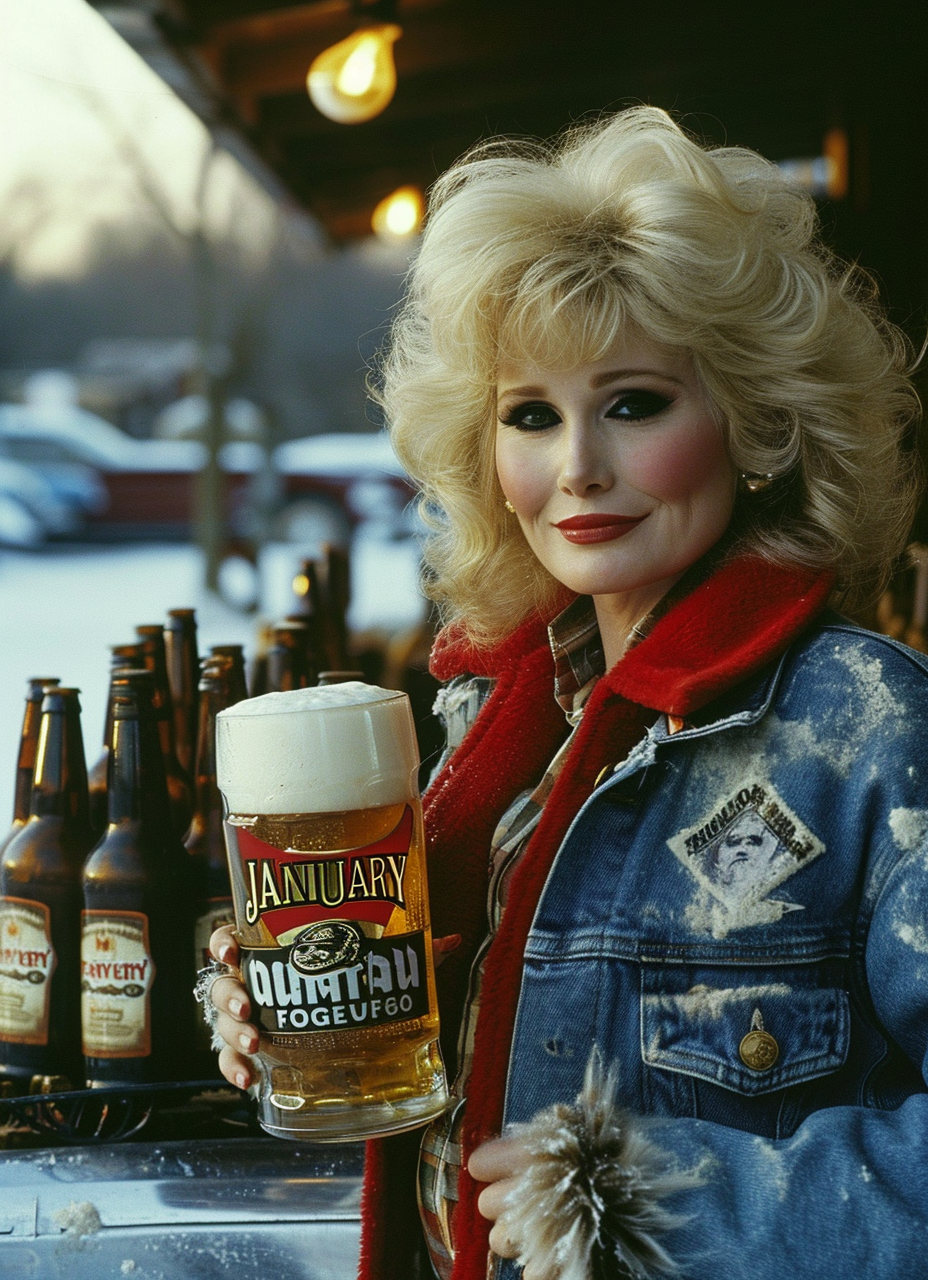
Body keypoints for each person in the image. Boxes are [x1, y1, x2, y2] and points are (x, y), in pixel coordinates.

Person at [203, 106, 927, 1280]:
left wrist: (657, 1204)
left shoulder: (867, 725)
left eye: (633, 403)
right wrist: (279, 989)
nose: (577, 465)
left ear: (754, 421)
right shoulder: (496, 721)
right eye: (531, 414)